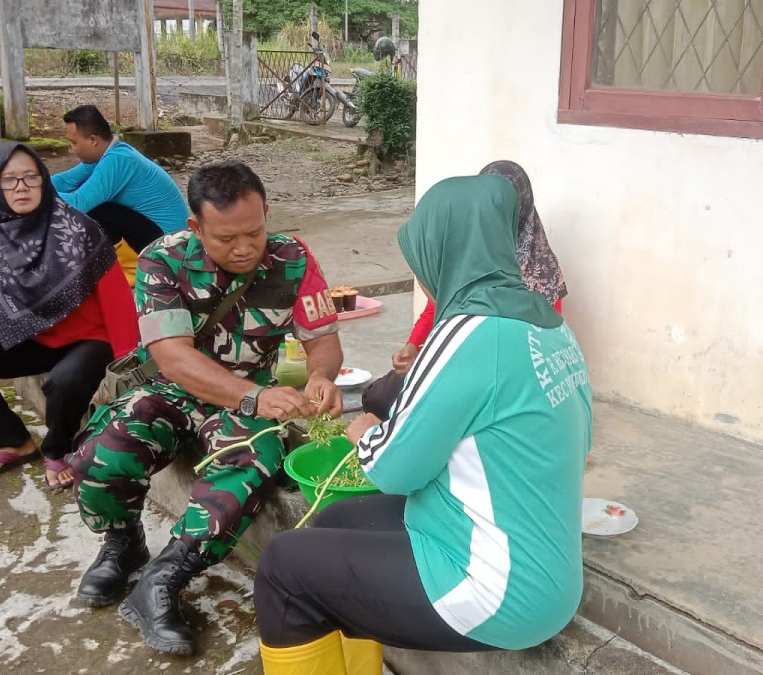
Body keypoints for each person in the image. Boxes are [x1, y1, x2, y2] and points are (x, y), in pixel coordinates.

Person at [252, 174, 593, 674]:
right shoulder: (546, 320)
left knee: (284, 569)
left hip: (497, 586)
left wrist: (364, 429)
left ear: (441, 249)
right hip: (546, 567)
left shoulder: (468, 330)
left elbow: (390, 469)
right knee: (331, 525)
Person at [68, 160, 344, 656]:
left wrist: (321, 375)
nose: (243, 248)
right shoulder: (162, 259)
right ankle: (123, 542)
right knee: (101, 455)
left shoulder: (293, 257)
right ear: (195, 227)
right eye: (225, 238)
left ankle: (163, 579)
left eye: (254, 233)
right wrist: (254, 395)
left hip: (251, 399)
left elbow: (323, 339)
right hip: (179, 389)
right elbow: (171, 356)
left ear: (266, 215)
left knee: (249, 470)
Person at [0, 142, 138, 491]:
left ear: (44, 181)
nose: (21, 187)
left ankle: (58, 449)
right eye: (9, 180)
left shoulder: (78, 231)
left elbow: (118, 302)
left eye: (30, 176)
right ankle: (12, 441)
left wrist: (126, 370)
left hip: (88, 341)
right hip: (28, 339)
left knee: (66, 379)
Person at [363, 159, 568, 420]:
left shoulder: (542, 269)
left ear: (520, 207)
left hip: (502, 379)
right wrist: (413, 346)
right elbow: (438, 304)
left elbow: (540, 349)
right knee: (376, 397)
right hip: (457, 359)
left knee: (428, 414)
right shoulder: (474, 246)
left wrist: (439, 367)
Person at [52, 104, 190, 283]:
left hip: (169, 248)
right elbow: (66, 180)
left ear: (93, 140)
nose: (72, 149)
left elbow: (78, 202)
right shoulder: (108, 154)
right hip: (157, 235)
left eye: (74, 143)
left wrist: (33, 195)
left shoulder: (119, 160)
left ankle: (122, 270)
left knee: (98, 209)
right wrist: (32, 180)